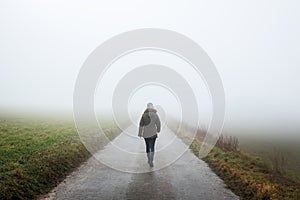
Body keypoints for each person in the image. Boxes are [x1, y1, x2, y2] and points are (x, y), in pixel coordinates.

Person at [138, 102, 161, 167]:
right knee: (152, 147)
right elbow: (158, 123)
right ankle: (151, 160)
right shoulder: (155, 115)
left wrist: (140, 133)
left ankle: (149, 159)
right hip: (153, 133)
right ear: (152, 107)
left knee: (148, 147)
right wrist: (158, 130)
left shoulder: (144, 115)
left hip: (146, 134)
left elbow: (141, 124)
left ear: (147, 107)